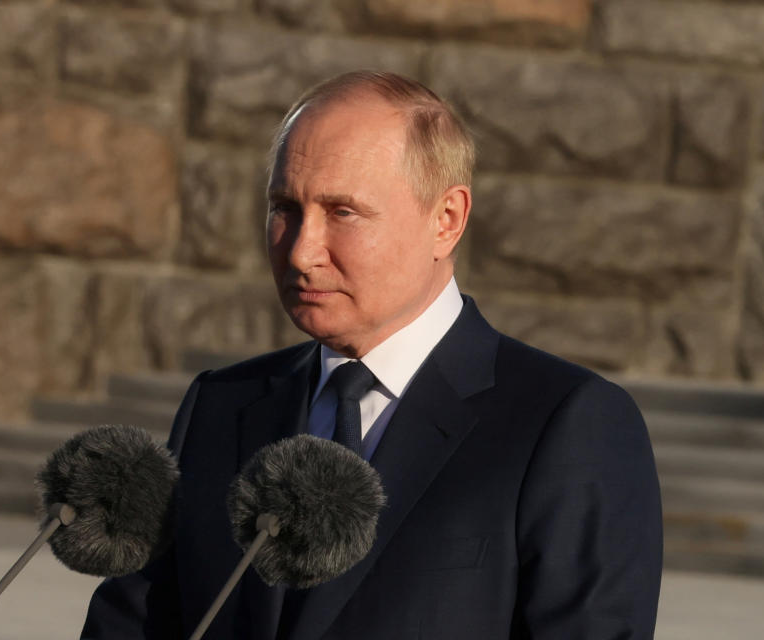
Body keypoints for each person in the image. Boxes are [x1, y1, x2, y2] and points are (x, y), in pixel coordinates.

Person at [81, 71, 662, 640]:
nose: (303, 251)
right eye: (285, 207)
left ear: (446, 220)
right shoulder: (220, 406)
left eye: (343, 213)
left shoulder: (566, 422)